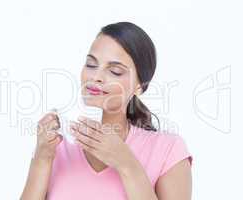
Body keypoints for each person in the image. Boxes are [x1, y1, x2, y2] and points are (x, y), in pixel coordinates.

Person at [20, 21, 193, 200]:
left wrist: (127, 164)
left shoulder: (168, 150)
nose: (96, 77)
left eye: (115, 71)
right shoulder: (57, 146)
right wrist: (41, 160)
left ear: (140, 86)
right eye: (91, 65)